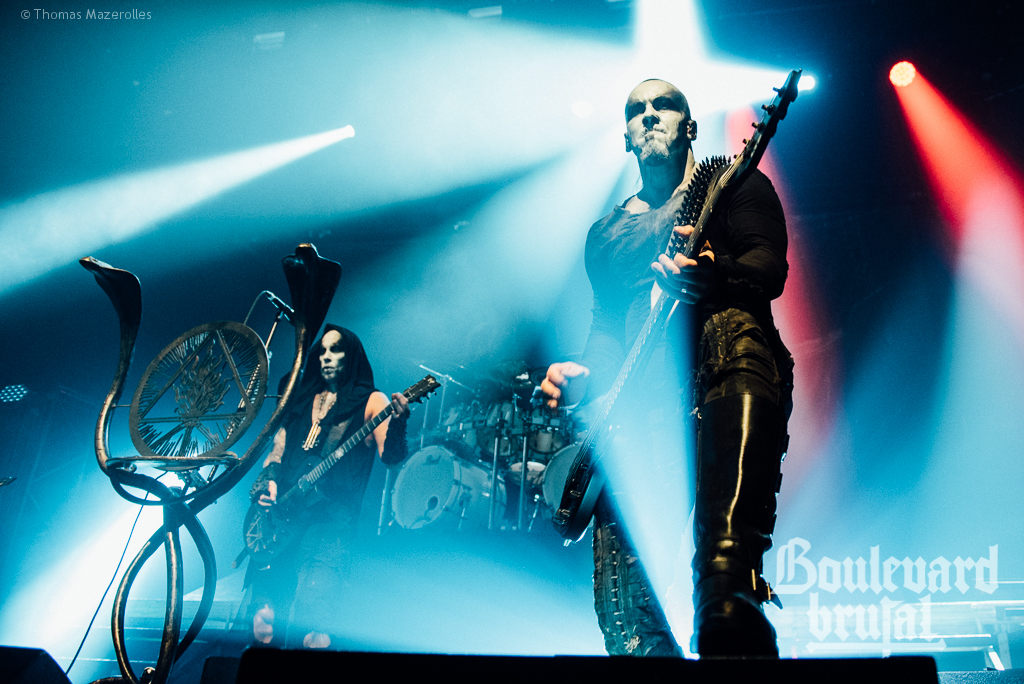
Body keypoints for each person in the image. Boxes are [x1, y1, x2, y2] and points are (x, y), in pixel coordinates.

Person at [541, 79, 793, 657]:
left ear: (691, 126)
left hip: (725, 371)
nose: (650, 115)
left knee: (724, 584)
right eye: (637, 110)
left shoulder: (734, 184)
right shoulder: (605, 234)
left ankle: (730, 615)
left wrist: (715, 274)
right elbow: (608, 328)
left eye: (665, 105)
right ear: (626, 138)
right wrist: (585, 373)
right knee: (626, 616)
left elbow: (769, 267)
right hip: (641, 410)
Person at [246, 324, 410, 648]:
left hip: (330, 522)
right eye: (322, 351)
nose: (326, 357)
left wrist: (400, 421)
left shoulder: (372, 401)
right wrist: (268, 483)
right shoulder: (302, 397)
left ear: (352, 356)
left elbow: (390, 457)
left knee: (314, 615)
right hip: (283, 516)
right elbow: (277, 449)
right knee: (264, 621)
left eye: (335, 350)